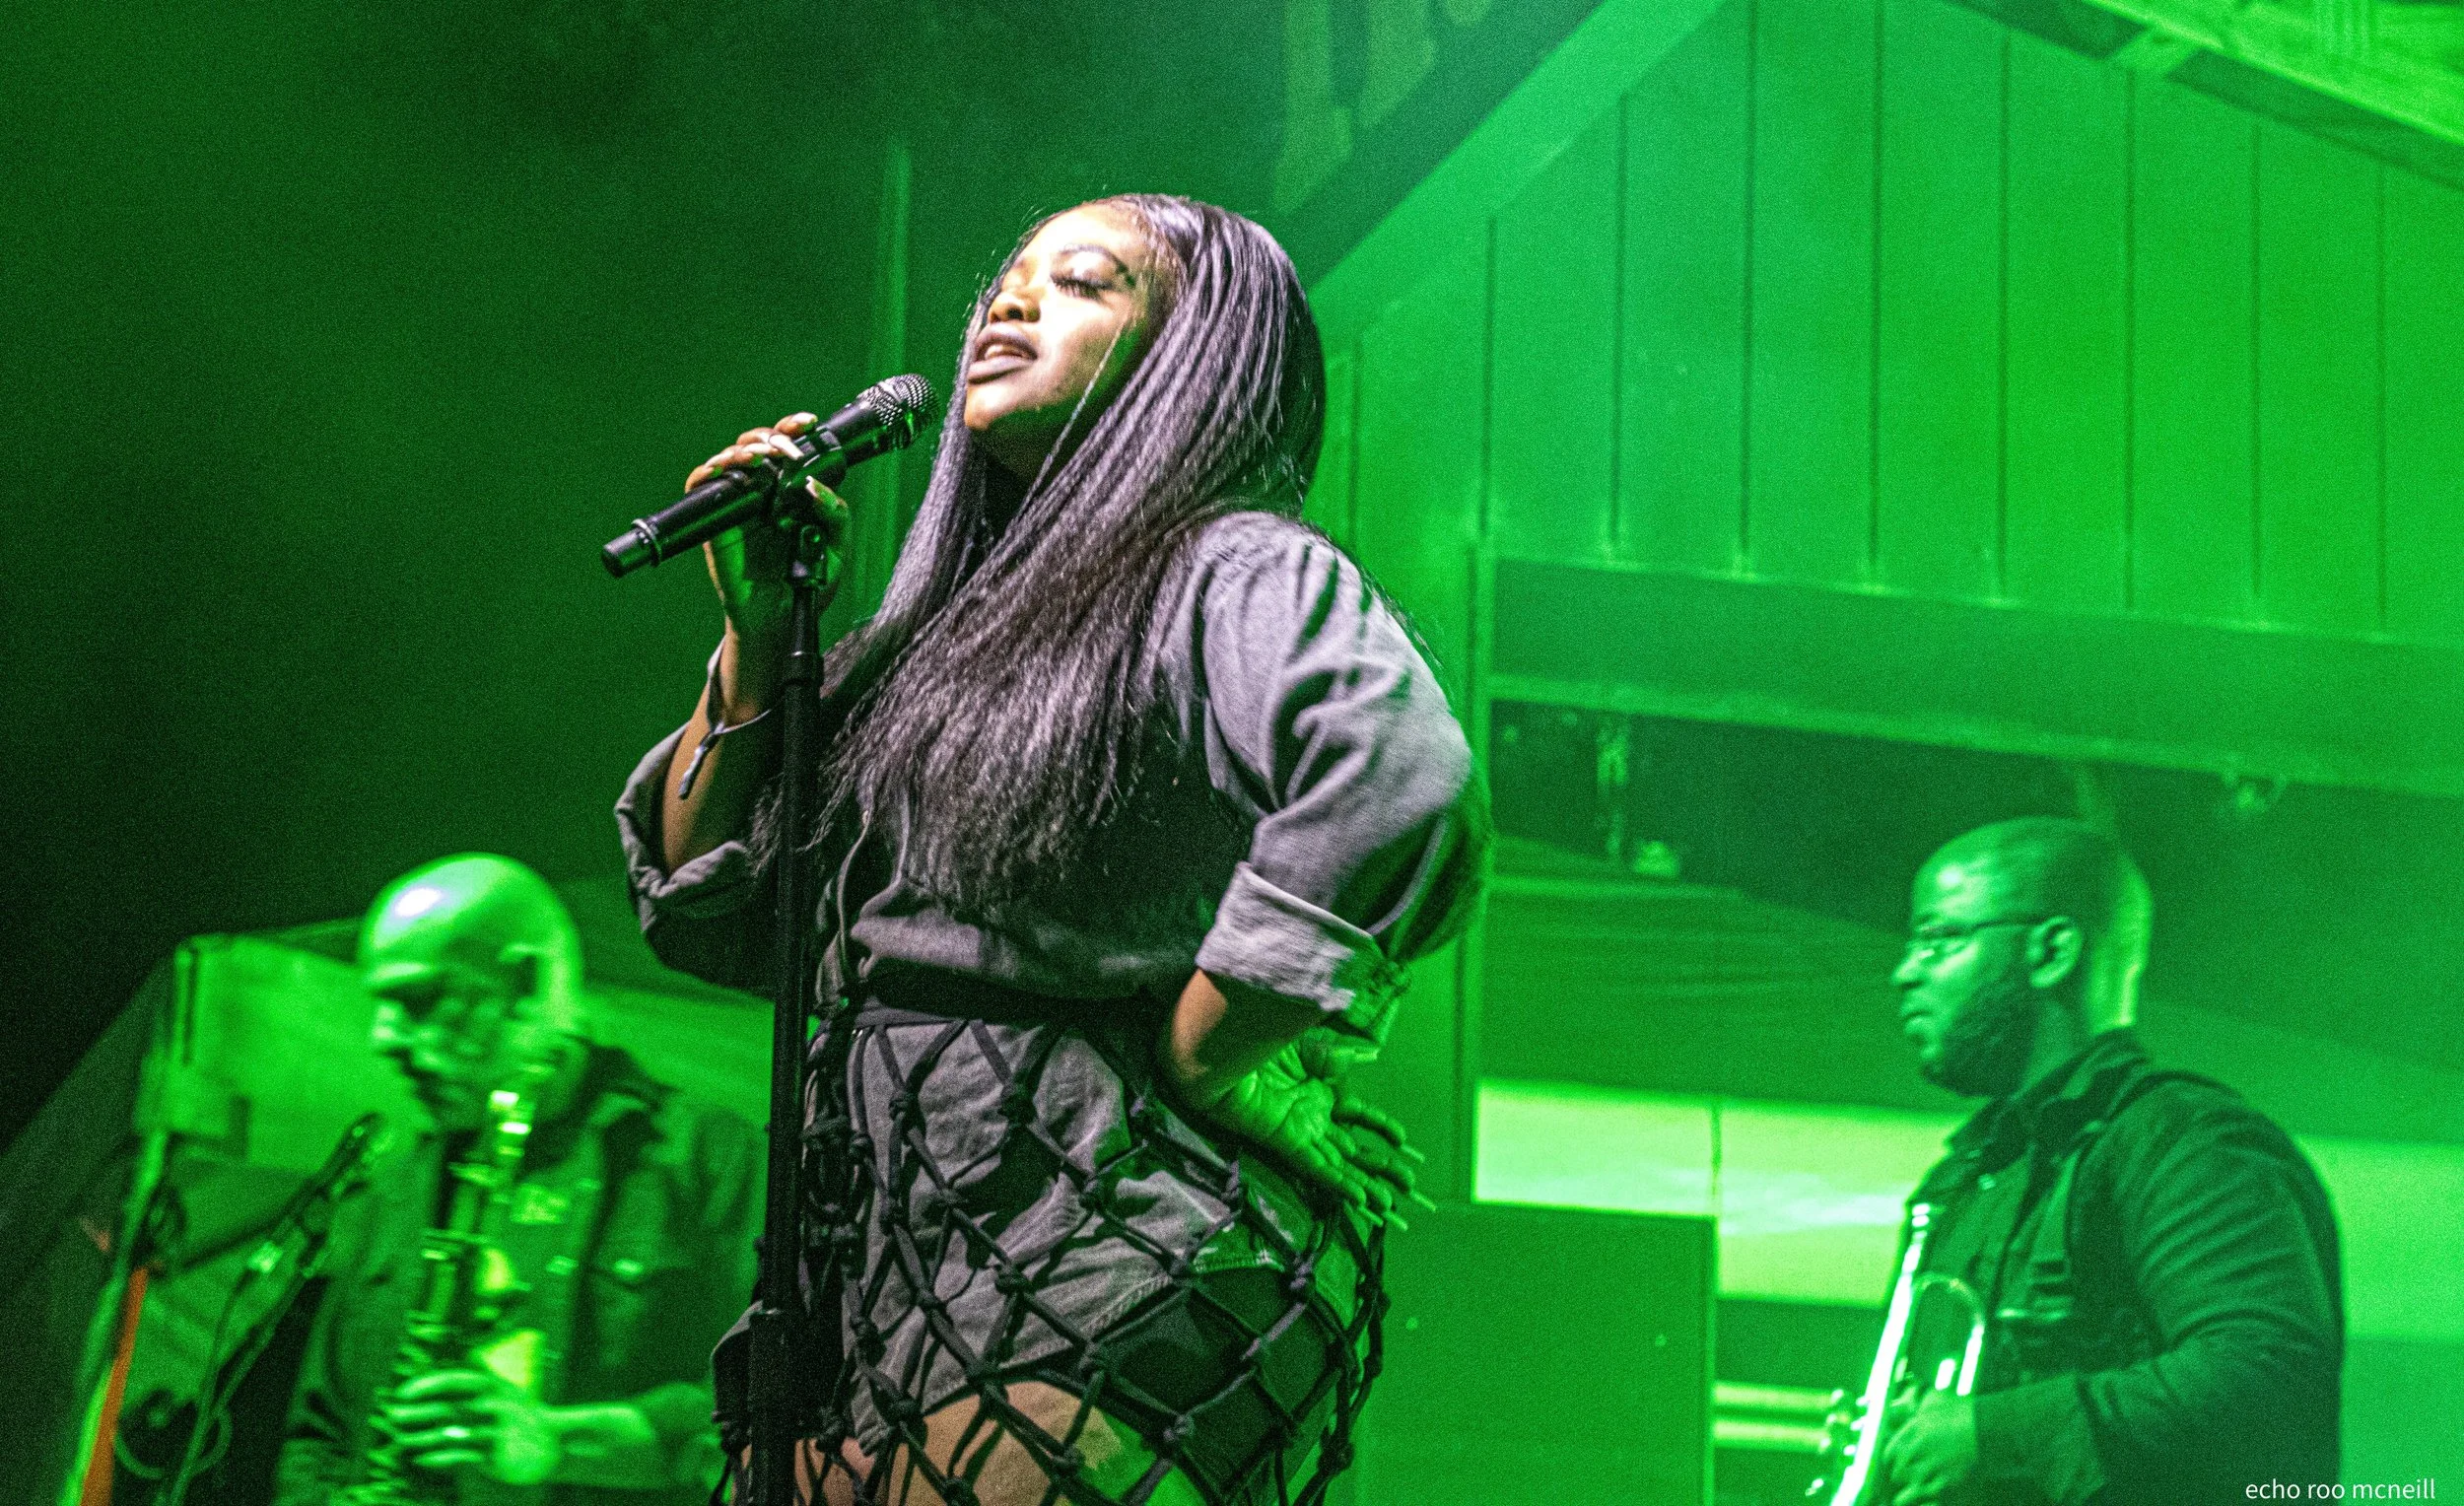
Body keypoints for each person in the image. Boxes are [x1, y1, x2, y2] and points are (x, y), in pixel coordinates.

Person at [614, 193, 1487, 1505]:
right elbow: (715, 906)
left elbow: (1398, 778)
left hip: (1122, 1240)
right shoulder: (935, 645)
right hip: (894, 1269)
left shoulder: (1233, 568)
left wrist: (1213, 1053)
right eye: (1007, 280)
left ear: (1191, 359)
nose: (1010, 301)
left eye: (1084, 281)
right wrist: (760, 637)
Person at [1869, 818, 2341, 1505]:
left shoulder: (2186, 1141)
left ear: (2051, 951)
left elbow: (2266, 1374)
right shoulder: (1965, 1179)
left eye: (1938, 939)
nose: (1904, 971)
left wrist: (1993, 1434)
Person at [275, 854, 763, 1504]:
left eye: (420, 1000)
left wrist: (557, 1441)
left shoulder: (708, 1157)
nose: (383, 1037)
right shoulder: (393, 1190)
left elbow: (765, 1418)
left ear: (526, 983)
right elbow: (318, 1437)